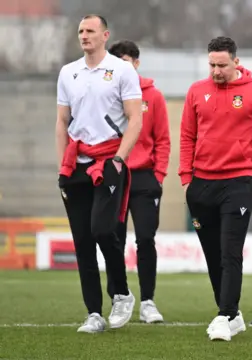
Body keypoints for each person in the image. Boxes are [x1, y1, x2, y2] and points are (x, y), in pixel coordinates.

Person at [179, 36, 252, 342]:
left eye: (222, 65)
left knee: (230, 253)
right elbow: (187, 137)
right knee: (213, 255)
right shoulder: (196, 91)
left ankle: (224, 316)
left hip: (238, 183)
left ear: (236, 62)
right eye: (212, 64)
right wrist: (186, 179)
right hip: (200, 185)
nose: (216, 70)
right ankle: (232, 312)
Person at [56, 14, 140, 333]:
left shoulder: (122, 71)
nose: (84, 35)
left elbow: (135, 120)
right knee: (82, 241)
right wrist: (61, 167)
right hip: (75, 164)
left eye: (90, 30)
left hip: (109, 160)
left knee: (103, 230)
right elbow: (62, 122)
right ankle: (94, 313)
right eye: (80, 31)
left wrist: (119, 158)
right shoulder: (68, 72)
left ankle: (121, 292)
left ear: (105, 35)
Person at [105, 39, 170, 323]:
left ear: (137, 64)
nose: (124, 69)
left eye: (128, 63)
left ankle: (148, 302)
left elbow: (163, 140)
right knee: (112, 239)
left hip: (144, 178)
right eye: (118, 64)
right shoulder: (104, 94)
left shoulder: (152, 96)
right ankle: (119, 297)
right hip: (114, 177)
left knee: (146, 239)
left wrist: (158, 175)